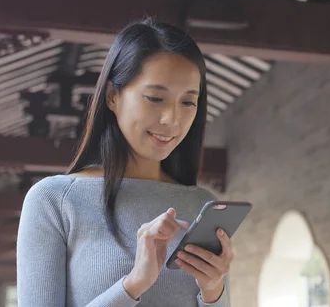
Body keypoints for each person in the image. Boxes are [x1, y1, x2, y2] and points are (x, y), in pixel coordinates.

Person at [16, 18, 233, 307]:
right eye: (155, 98)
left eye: (188, 102)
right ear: (112, 96)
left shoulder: (202, 205)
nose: (172, 119)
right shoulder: (54, 201)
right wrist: (133, 285)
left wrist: (213, 291)